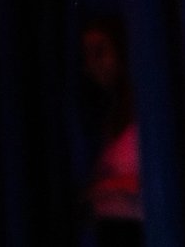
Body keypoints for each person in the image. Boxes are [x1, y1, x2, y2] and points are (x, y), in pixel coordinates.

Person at [79, 12, 143, 247]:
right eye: (87, 57)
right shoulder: (111, 118)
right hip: (115, 231)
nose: (92, 66)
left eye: (100, 53)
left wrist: (106, 187)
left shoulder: (147, 114)